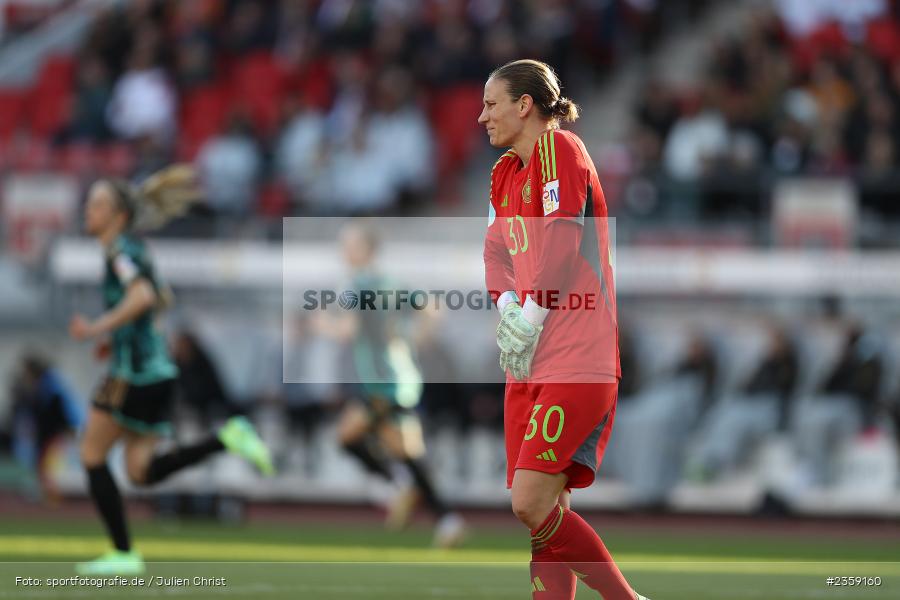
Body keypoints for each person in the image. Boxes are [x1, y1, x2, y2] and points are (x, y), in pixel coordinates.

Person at [480, 59, 649, 600]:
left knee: (528, 503)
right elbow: (494, 252)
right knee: (543, 518)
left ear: (524, 105)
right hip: (529, 360)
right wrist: (507, 304)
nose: (482, 116)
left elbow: (559, 242)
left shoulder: (561, 150)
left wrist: (530, 311)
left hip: (577, 354)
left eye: (491, 104)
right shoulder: (503, 172)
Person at [68, 165, 273, 576]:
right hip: (159, 371)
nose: (89, 209)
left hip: (135, 373)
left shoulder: (120, 252)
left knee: (91, 454)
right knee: (140, 471)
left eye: (99, 204)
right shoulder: (132, 251)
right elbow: (160, 298)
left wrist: (97, 327)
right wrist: (120, 334)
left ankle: (123, 554)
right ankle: (227, 437)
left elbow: (144, 296)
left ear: (119, 215)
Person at [321, 221, 465, 548]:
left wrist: (321, 325)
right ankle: (444, 517)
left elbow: (346, 330)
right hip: (399, 378)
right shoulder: (391, 283)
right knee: (407, 455)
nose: (344, 250)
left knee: (350, 439)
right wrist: (414, 338)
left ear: (365, 250)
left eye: (350, 244)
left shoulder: (357, 286)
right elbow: (432, 309)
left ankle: (399, 489)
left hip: (381, 383)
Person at [8, 353, 84, 500]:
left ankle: (53, 500)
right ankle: (48, 497)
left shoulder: (50, 389)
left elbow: (61, 411)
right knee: (43, 465)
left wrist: (69, 429)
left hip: (53, 434)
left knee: (49, 466)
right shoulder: (38, 389)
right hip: (44, 435)